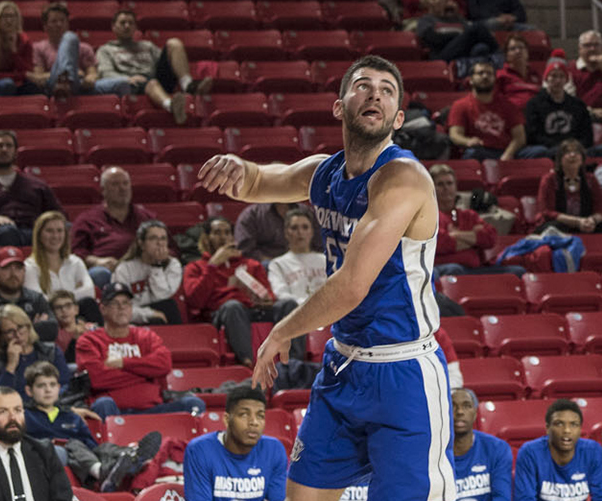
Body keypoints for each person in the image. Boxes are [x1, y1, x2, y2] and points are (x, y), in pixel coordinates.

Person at [196, 57, 458, 501]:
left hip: (402, 371)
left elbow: (352, 286)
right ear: (340, 107)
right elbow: (262, 180)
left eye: (387, 89)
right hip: (343, 366)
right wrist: (237, 169)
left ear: (396, 119)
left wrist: (282, 330)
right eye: (363, 85)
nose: (375, 93)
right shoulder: (326, 173)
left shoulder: (402, 178)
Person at [21, 361, 157, 493]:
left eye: (52, 385)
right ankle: (101, 472)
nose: (48, 390)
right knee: (72, 445)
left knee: (103, 448)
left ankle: (131, 457)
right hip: (51, 456)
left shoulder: (71, 416)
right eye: (41, 386)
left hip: (80, 457)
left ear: (58, 387)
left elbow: (91, 445)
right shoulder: (25, 416)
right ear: (29, 390)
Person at [184, 215, 299, 368]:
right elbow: (195, 301)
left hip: (254, 310)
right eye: (217, 233)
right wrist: (212, 266)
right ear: (206, 239)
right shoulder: (196, 267)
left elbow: (269, 296)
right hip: (222, 314)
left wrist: (265, 300)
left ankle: (294, 364)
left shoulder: (251, 265)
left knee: (289, 305)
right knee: (233, 306)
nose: (223, 237)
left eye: (227, 233)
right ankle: (248, 364)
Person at [76, 282, 204, 417]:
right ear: (103, 309)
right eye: (115, 303)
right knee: (103, 404)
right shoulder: (89, 341)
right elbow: (96, 379)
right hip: (115, 412)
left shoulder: (146, 336)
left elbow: (164, 364)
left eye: (126, 303)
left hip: (154, 410)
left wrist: (123, 363)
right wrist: (146, 375)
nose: (121, 308)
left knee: (194, 404)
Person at [0, 386, 74, 501]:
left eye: (17, 410)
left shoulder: (44, 451)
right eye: (3, 411)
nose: (12, 418)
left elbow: (63, 498)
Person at [95, 9, 210, 125]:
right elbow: (106, 73)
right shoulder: (106, 50)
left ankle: (188, 86)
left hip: (156, 79)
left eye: (131, 23)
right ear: (114, 27)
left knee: (174, 43)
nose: (127, 26)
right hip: (132, 85)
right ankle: (171, 106)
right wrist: (126, 79)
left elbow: (164, 62)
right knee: (152, 83)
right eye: (123, 23)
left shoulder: (147, 45)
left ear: (135, 27)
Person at [183, 386, 288, 501]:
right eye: (244, 414)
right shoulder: (200, 450)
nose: (254, 422)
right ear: (227, 419)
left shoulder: (274, 450)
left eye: (260, 416)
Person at [0, 130, 62, 248]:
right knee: (7, 232)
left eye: (9, 146)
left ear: (15, 152)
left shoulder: (37, 185)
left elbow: (57, 212)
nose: (4, 149)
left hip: (34, 231)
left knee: (64, 228)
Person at [72, 166, 157, 283]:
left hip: (143, 268)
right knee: (99, 274)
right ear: (103, 190)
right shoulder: (87, 220)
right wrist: (96, 261)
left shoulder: (147, 218)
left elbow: (171, 249)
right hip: (106, 271)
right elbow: (76, 254)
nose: (122, 189)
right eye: (115, 184)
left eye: (125, 183)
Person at [516, 401, 602, 501]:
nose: (567, 430)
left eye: (574, 424)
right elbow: (525, 498)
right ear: (547, 428)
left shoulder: (593, 451)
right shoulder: (530, 452)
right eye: (559, 424)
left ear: (580, 429)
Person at [431, 164, 512, 278]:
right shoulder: (429, 217)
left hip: (474, 270)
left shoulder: (469, 215)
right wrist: (474, 238)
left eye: (449, 183)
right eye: (440, 184)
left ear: (455, 187)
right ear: (432, 189)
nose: (446, 188)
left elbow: (490, 237)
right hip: (447, 271)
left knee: (516, 271)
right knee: (454, 269)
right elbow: (440, 244)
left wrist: (456, 234)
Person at [0, 304, 69, 395]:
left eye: (21, 327)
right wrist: (11, 366)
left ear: (28, 326)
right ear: (0, 336)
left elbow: (65, 385)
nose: (17, 335)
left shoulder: (51, 352)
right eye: (10, 331)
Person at [111, 220, 185, 325]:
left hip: (163, 314)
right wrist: (149, 313)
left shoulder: (173, 265)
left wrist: (157, 266)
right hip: (134, 317)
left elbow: (162, 297)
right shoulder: (124, 269)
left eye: (163, 238)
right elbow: (121, 307)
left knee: (169, 306)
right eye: (153, 238)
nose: (160, 243)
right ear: (141, 244)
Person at [32, 3, 113, 98]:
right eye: (54, 21)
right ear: (45, 26)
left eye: (62, 21)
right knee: (70, 37)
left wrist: (89, 79)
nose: (59, 24)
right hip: (53, 86)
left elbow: (92, 73)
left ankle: (66, 81)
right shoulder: (38, 48)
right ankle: (63, 81)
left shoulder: (84, 48)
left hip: (79, 84)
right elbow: (39, 77)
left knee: (121, 84)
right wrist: (71, 72)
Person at [451, 60, 528, 159]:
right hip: (481, 150)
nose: (485, 76)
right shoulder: (460, 105)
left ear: (495, 79)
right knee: (472, 154)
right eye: (480, 73)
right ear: (470, 80)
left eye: (489, 73)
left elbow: (519, 137)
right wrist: (467, 141)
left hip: (506, 150)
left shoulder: (508, 105)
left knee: (538, 152)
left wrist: (508, 153)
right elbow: (455, 134)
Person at [28, 211, 97, 318]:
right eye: (49, 231)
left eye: (59, 231)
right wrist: (74, 294)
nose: (55, 236)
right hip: (50, 318)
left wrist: (53, 297)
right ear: (39, 235)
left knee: (88, 304)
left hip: (76, 317)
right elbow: (38, 301)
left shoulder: (75, 262)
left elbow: (90, 292)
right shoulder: (30, 266)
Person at [452, 388, 515, 501]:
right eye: (453, 406)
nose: (460, 412)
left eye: (467, 406)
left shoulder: (497, 449)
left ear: (475, 413)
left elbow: (502, 497)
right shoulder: (431, 452)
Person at [414, 0, 499, 64]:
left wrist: (460, 31)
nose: (438, 0)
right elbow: (436, 39)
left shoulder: (457, 18)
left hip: (464, 53)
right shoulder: (425, 20)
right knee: (478, 27)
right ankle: (501, 53)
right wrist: (459, 35)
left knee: (482, 49)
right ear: (426, 2)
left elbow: (469, 35)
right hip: (442, 55)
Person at [534, 140, 602, 236]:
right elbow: (547, 212)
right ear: (560, 159)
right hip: (558, 222)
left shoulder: (591, 179)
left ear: (582, 159)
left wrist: (592, 220)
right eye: (567, 152)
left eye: (576, 152)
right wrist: (577, 222)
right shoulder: (549, 179)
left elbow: (601, 209)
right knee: (553, 228)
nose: (572, 155)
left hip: (586, 222)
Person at [525, 59, 594, 156]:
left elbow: (587, 134)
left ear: (566, 80)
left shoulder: (578, 105)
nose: (557, 80)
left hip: (576, 149)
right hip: (549, 149)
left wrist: (576, 147)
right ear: (546, 79)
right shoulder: (534, 104)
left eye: (561, 76)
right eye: (553, 76)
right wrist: (562, 147)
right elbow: (534, 136)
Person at [268, 208, 329, 305]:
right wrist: (305, 305)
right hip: (295, 312)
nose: (300, 232)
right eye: (294, 228)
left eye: (305, 227)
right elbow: (281, 294)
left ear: (312, 232)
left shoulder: (325, 259)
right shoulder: (278, 264)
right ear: (286, 233)